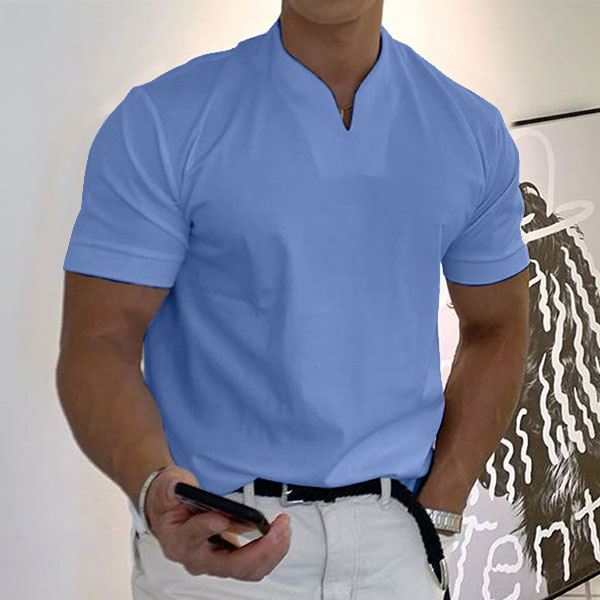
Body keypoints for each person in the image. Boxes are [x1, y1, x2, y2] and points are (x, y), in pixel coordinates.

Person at [56, 0, 530, 598]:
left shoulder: (469, 130)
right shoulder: (163, 121)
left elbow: (497, 327)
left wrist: (441, 507)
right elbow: (101, 342)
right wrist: (156, 489)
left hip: (398, 546)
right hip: (219, 543)